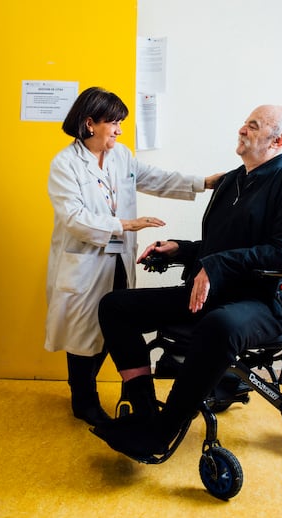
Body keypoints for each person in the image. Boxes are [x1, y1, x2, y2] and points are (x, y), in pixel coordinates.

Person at [92, 104, 282, 458]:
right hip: (210, 296)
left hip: (263, 304)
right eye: (244, 123)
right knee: (115, 306)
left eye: (253, 126)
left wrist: (216, 263)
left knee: (218, 324)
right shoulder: (231, 181)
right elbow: (217, 249)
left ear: (279, 140)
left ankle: (162, 431)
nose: (242, 130)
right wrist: (179, 250)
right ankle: (144, 409)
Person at [45, 86, 220, 426]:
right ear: (90, 122)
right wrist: (126, 224)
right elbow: (75, 219)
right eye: (114, 123)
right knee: (83, 334)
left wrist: (205, 183)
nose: (120, 130)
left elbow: (156, 178)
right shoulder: (65, 164)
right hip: (85, 261)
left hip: (117, 259)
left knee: (115, 322)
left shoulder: (121, 156)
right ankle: (83, 399)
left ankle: (126, 394)